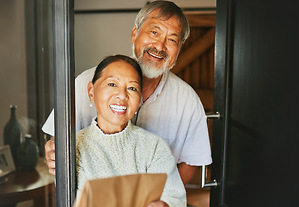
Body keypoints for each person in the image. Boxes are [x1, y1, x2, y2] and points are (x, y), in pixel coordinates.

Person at [43, 0, 212, 186]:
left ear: (178, 49)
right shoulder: (87, 82)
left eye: (172, 39)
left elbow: (191, 161)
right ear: (134, 33)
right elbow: (56, 139)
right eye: (154, 32)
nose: (160, 46)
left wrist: (162, 197)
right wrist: (53, 151)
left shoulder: (187, 101)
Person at [75, 54, 186, 207]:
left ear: (139, 99)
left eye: (132, 88)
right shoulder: (74, 147)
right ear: (91, 91)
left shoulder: (153, 147)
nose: (122, 95)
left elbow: (174, 200)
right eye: (112, 84)